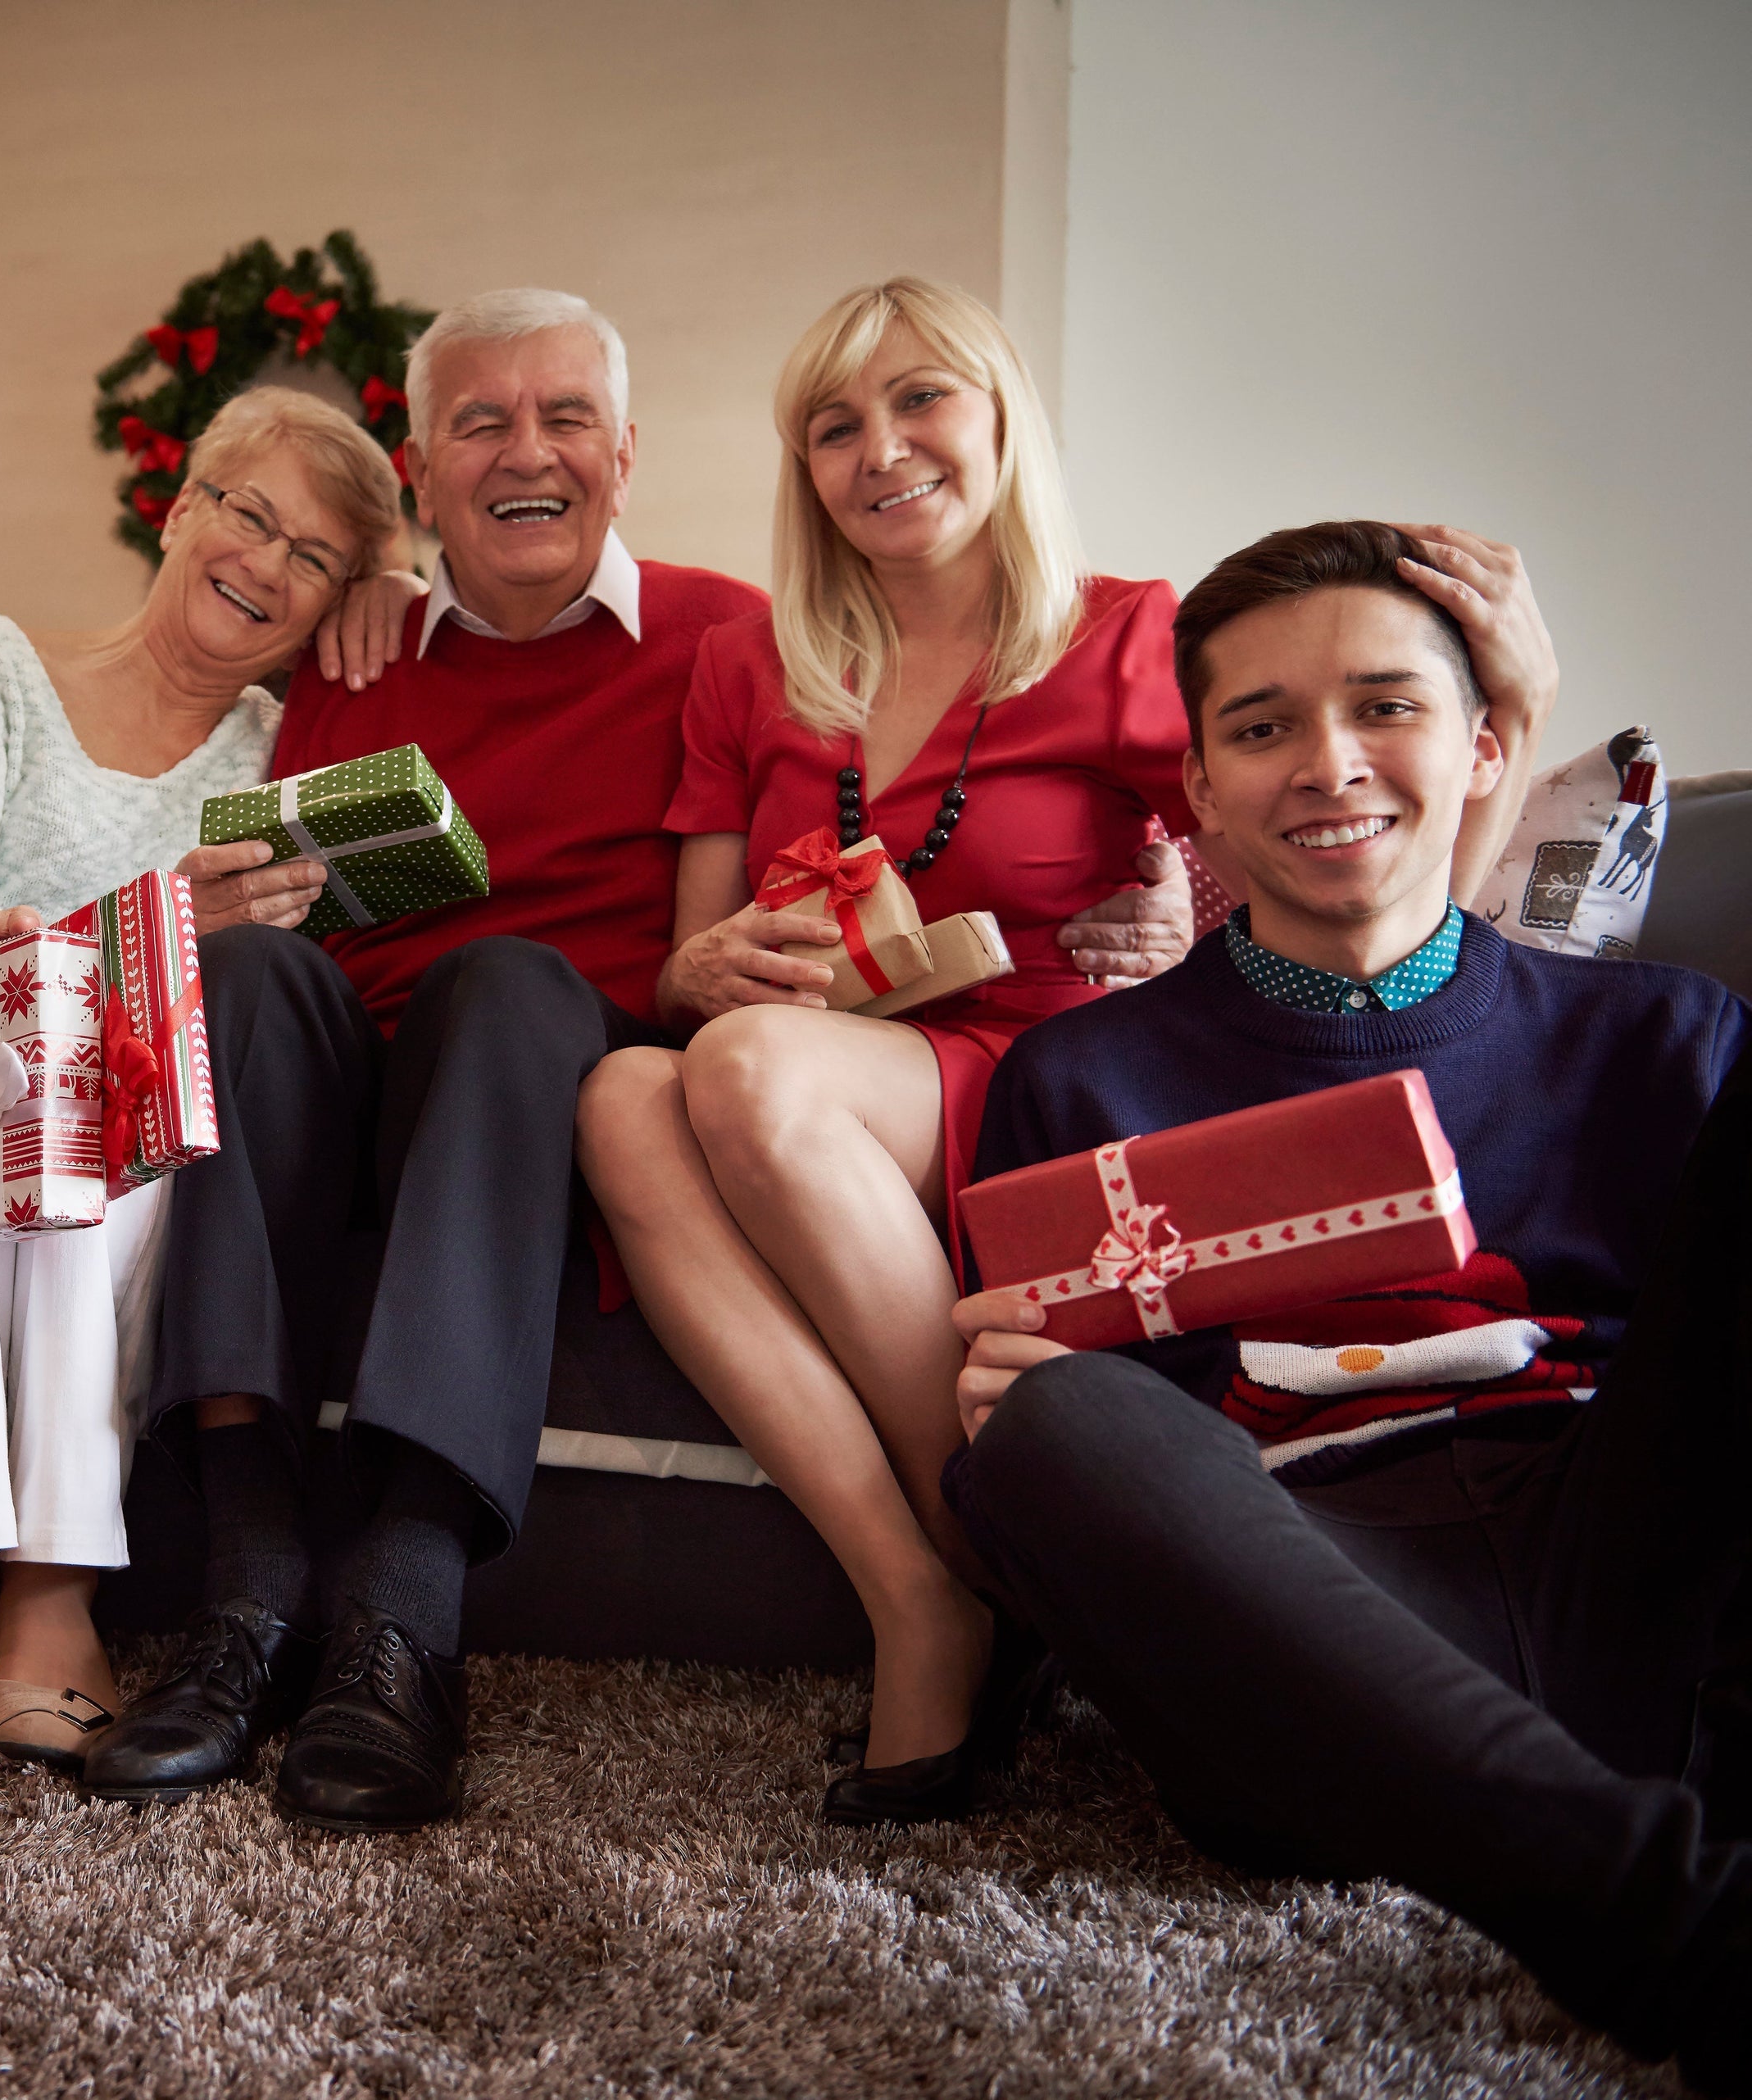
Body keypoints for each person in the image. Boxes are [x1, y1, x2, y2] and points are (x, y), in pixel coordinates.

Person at [82, 288, 1178, 1830]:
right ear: (421, 467)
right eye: (480, 423)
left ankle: (402, 1613)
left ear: (625, 453)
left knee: (514, 990)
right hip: (359, 1091)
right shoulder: (354, 652)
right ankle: (245, 1599)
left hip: (542, 1089)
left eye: (566, 419)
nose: (526, 453)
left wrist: (1166, 897)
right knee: (250, 971)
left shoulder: (739, 632)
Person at [576, 282, 1562, 1827]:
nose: (879, 449)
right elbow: (685, 982)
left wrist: (1185, 908)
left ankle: (997, 1531)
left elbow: (1347, 853)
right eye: (833, 427)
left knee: (746, 1073)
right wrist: (696, 969)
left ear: (997, 424)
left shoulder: (1127, 635)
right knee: (635, 1088)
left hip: (1039, 1074)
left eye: (920, 403)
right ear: (805, 470)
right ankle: (925, 1596)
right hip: (795, 1062)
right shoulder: (752, 665)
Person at [946, 519, 1749, 2090]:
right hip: (1311, 1602)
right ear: (1201, 791)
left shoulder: (1665, 1038)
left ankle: (1599, 1861)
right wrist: (1020, 1413)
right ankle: (1652, 1917)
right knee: (1041, 1421)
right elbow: (1096, 1489)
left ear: (1484, 744)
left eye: (1386, 705)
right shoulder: (1079, 1075)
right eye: (1261, 727)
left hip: (1632, 1559)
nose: (1329, 764)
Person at [0, 389, 400, 1776]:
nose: (262, 561)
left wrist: (406, 593)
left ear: (335, 607)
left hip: (128, 1118)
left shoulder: (281, 759)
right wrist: (8, 939)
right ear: (181, 504)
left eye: (313, 559)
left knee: (107, 1079)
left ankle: (55, 1588)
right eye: (246, 512)